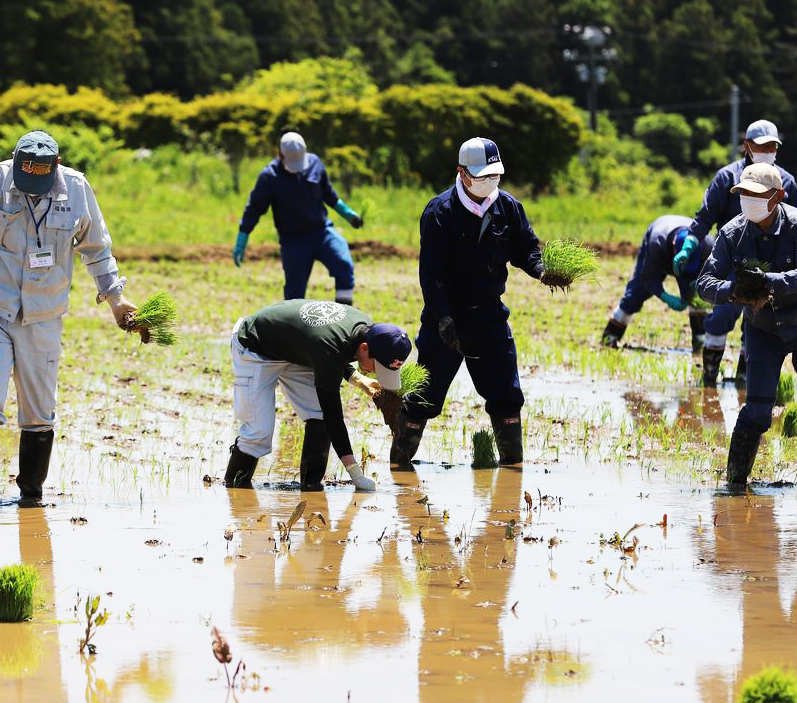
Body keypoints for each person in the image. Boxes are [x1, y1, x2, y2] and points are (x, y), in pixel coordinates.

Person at [0, 130, 140, 507]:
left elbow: (97, 249)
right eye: (26, 179)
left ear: (58, 166)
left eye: (41, 180)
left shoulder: (78, 190)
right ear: (15, 163)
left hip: (44, 316)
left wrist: (116, 300)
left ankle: (31, 499)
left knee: (38, 410)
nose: (33, 189)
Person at [390, 137, 551, 470]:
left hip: (490, 318)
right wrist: (444, 320)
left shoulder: (508, 207)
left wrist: (542, 271)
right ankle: (400, 469)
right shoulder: (440, 212)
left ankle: (511, 472)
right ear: (462, 173)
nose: (489, 182)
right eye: (482, 176)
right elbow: (431, 275)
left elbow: (526, 250)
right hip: (445, 319)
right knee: (423, 397)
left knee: (507, 397)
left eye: (495, 175)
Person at [696, 163, 797, 485]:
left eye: (756, 195)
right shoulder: (732, 232)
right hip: (763, 331)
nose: (748, 200)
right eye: (743, 194)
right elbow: (705, 282)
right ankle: (734, 488)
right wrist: (733, 290)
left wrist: (768, 281)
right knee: (756, 410)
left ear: (778, 196)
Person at [223, 299, 411, 492]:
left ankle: (311, 486)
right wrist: (355, 473)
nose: (375, 372)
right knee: (258, 433)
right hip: (255, 346)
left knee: (318, 415)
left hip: (295, 348)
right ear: (364, 348)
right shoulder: (332, 343)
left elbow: (330, 352)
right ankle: (235, 487)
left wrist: (358, 378)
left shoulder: (366, 331)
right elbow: (334, 415)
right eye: (377, 366)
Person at [688, 119, 797, 387]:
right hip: (731, 262)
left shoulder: (786, 181)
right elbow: (706, 216)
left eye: (772, 145)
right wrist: (690, 243)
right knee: (719, 320)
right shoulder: (727, 177)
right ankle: (708, 379)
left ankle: (744, 380)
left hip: (769, 267)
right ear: (747, 146)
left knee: (757, 324)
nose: (767, 150)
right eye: (761, 145)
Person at [233, 131, 364, 304]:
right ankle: (293, 329)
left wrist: (347, 213)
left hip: (322, 232)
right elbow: (254, 209)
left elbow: (329, 194)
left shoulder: (315, 163)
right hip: (294, 240)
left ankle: (344, 316)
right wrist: (242, 237)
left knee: (344, 265)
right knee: (294, 294)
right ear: (280, 154)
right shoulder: (269, 177)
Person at [600, 215, 713, 351]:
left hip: (692, 260)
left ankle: (699, 343)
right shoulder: (657, 243)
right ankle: (611, 335)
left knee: (696, 296)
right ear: (673, 247)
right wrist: (665, 297)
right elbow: (648, 278)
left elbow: (713, 269)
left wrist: (697, 284)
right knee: (638, 291)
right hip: (660, 244)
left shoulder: (706, 243)